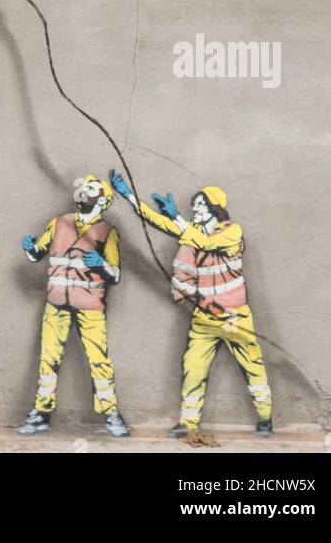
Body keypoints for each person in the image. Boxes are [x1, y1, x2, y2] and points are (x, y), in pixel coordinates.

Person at [109, 170, 272, 439]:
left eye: (199, 205)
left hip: (235, 318)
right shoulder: (192, 230)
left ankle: (265, 416)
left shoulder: (231, 233)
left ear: (214, 209)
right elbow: (154, 219)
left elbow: (206, 243)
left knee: (253, 368)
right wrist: (127, 193)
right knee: (193, 369)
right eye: (194, 205)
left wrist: (176, 218)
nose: (193, 209)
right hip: (204, 319)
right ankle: (188, 422)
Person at [17, 173, 129, 438]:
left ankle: (111, 414)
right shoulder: (59, 223)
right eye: (84, 187)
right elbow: (36, 254)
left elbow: (115, 275)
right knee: (48, 358)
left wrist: (101, 265)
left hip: (90, 307)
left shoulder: (107, 232)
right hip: (56, 305)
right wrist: (28, 249)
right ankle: (41, 414)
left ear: (103, 201)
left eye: (92, 189)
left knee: (99, 360)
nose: (84, 192)